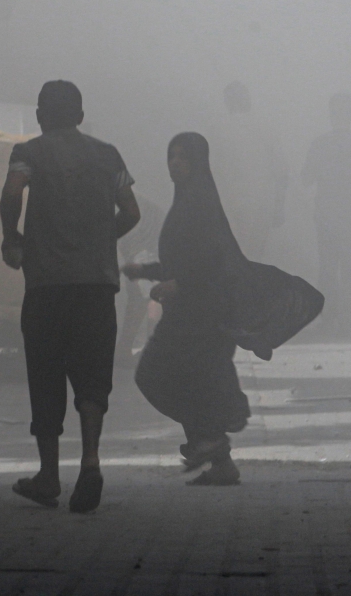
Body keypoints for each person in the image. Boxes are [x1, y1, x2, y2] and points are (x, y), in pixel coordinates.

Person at [0, 80, 140, 513]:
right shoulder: (108, 154)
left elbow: (11, 193)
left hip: (46, 285)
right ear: (81, 116)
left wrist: (13, 239)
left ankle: (48, 476)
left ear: (41, 116)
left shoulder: (28, 152)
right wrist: (100, 241)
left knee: (45, 373)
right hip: (97, 285)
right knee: (92, 374)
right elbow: (131, 212)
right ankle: (92, 461)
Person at [123, 132, 251, 486]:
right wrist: (147, 272)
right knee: (191, 384)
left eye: (183, 157)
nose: (175, 163)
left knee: (152, 375)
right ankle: (219, 460)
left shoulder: (200, 204)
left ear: (197, 162)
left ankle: (209, 439)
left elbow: (212, 262)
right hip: (186, 315)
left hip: (202, 317)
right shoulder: (185, 202)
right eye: (171, 156)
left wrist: (180, 285)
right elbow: (182, 262)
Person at [302, 92, 351, 338]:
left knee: (328, 268)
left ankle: (329, 319)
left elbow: (306, 177)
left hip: (326, 214)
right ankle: (350, 321)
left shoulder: (320, 144)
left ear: (331, 115)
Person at [213, 81, 288, 261]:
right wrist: (279, 205)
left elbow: (216, 171)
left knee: (236, 257)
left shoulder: (221, 130)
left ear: (228, 102)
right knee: (257, 257)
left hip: (234, 203)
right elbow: (281, 172)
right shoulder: (266, 128)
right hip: (264, 202)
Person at [115, 194, 166, 368]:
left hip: (146, 244)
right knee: (141, 297)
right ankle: (131, 349)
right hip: (144, 243)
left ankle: (146, 350)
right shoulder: (130, 203)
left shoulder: (124, 207)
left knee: (149, 295)